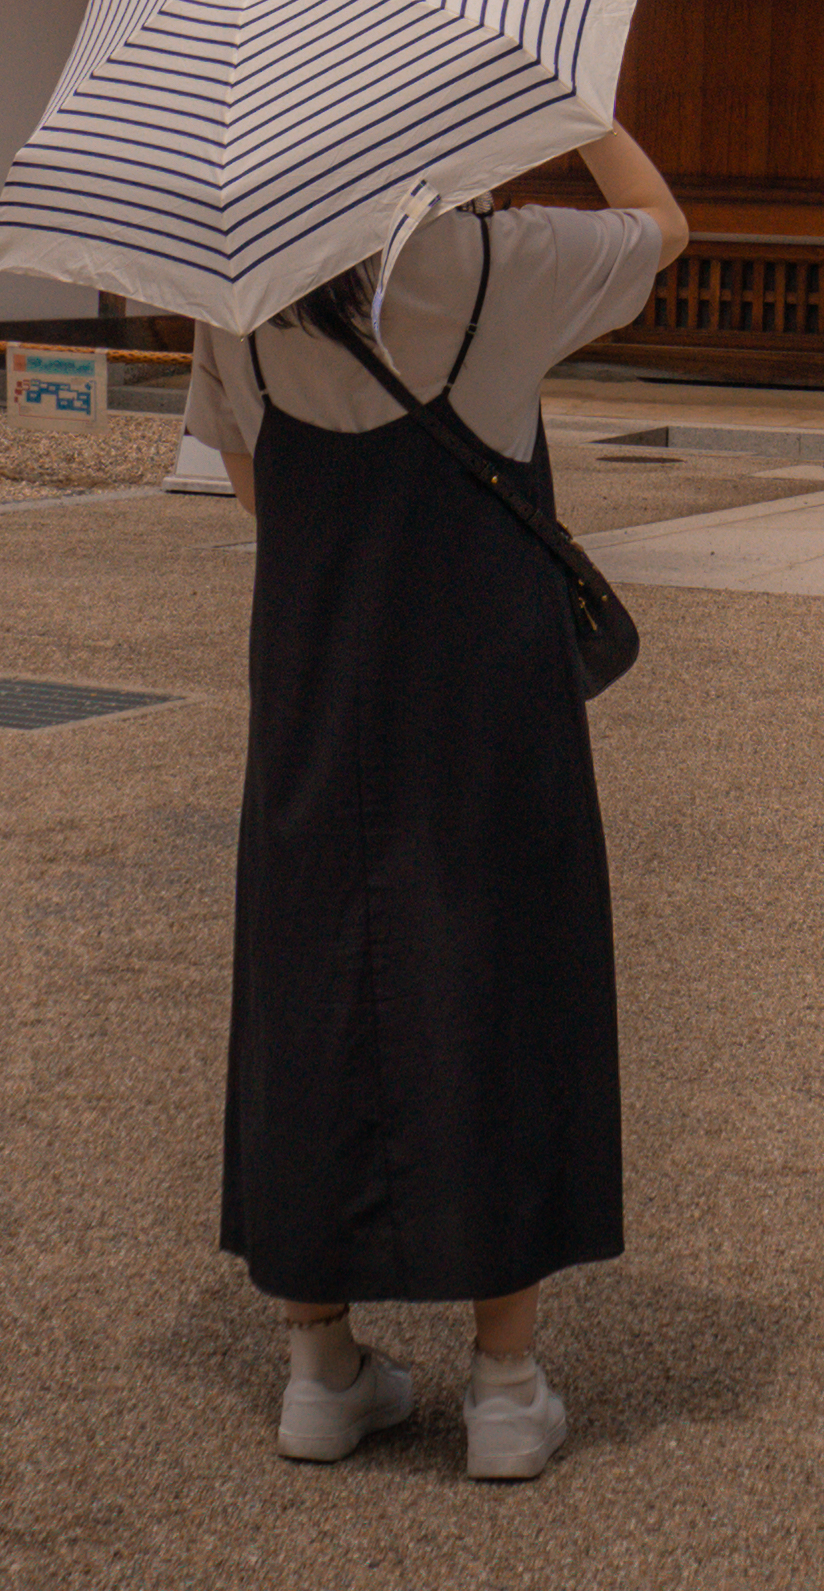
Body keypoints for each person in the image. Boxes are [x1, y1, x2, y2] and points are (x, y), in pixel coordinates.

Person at [182, 114, 687, 1480]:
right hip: (484, 684)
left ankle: (319, 1364)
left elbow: (252, 486)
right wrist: (587, 118)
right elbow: (665, 226)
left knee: (313, 973)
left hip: (318, 673)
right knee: (495, 965)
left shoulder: (237, 297)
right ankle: (507, 1386)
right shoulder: (497, 260)